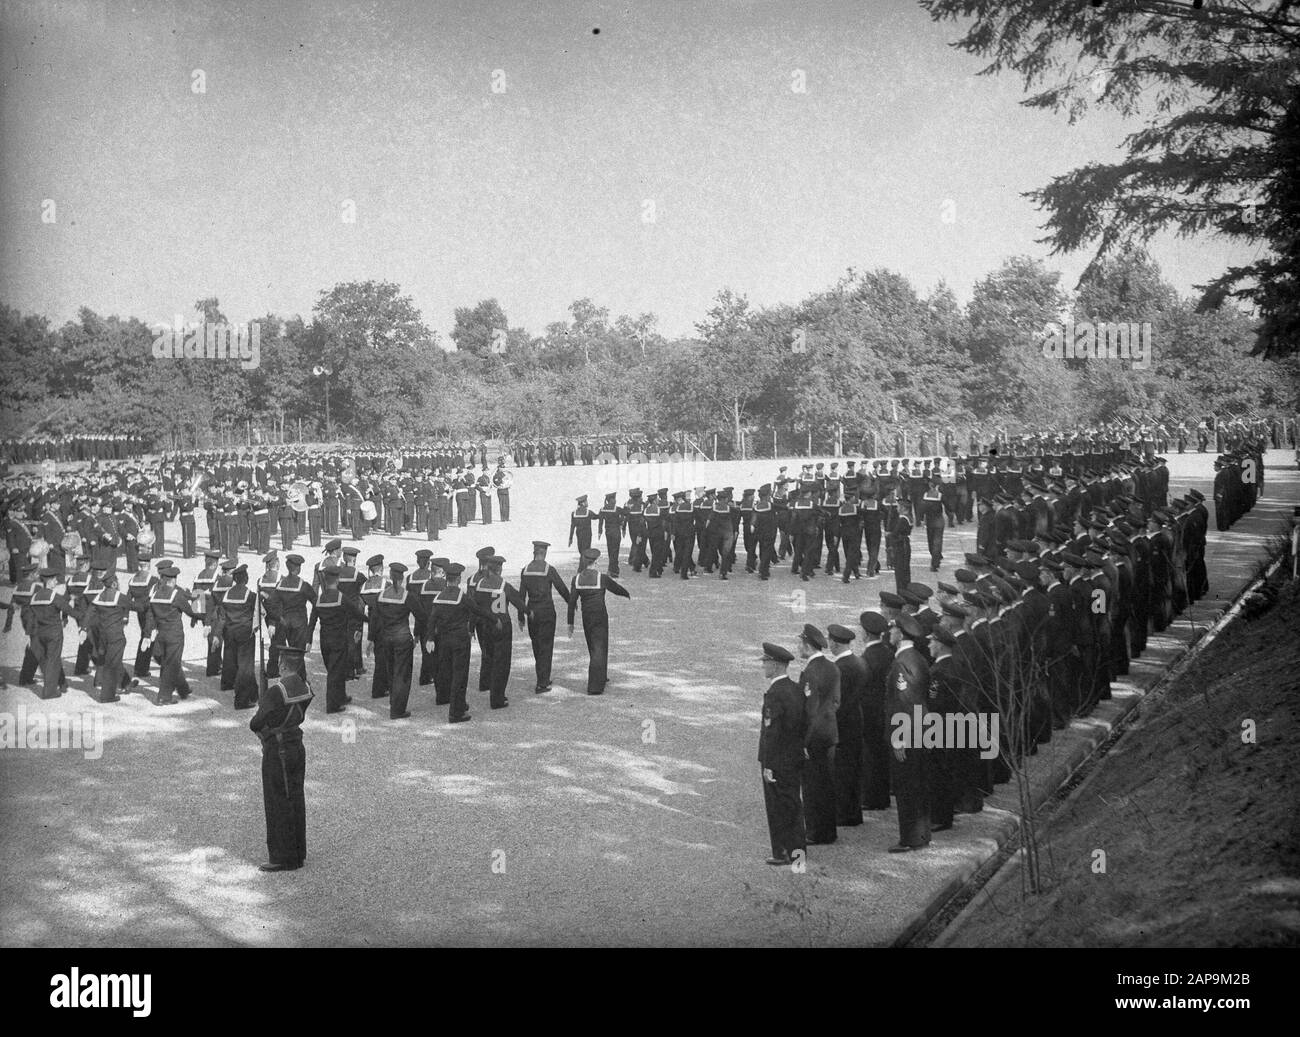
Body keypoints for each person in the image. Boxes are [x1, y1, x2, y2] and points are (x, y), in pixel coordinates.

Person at [250, 644, 312, 872]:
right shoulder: (305, 686)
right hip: (296, 743)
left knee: (277, 801)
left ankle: (282, 857)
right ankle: (297, 852)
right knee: (295, 797)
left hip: (277, 750)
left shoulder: (277, 691)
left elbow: (255, 722)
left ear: (283, 664)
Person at [885, 613, 931, 852]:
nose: (889, 632)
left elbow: (903, 702)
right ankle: (922, 834)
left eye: (892, 629)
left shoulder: (902, 662)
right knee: (918, 784)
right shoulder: (918, 658)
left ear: (900, 634)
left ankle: (910, 838)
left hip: (907, 733)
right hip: (920, 731)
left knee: (906, 787)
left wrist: (899, 738)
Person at [758, 641, 807, 866]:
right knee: (793, 804)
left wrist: (768, 765)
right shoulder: (796, 689)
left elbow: (771, 733)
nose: (763, 667)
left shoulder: (775, 694)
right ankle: (798, 851)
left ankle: (784, 852)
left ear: (776, 665)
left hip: (777, 761)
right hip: (794, 756)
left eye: (766, 662)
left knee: (779, 807)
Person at [797, 624, 840, 845]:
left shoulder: (809, 673)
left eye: (800, 644)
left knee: (813, 787)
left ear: (807, 646)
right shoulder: (833, 667)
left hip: (814, 737)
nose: (798, 648)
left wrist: (803, 740)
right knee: (827, 784)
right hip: (830, 732)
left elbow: (809, 710)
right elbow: (835, 702)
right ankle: (828, 830)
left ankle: (815, 832)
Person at [566, 548, 631, 695]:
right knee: (600, 647)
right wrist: (626, 594)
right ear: (596, 562)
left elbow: (571, 602)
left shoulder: (576, 579)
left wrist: (570, 623)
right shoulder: (601, 577)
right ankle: (595, 686)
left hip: (586, 616)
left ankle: (601, 676)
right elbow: (615, 588)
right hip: (600, 615)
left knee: (593, 645)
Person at [519, 541, 570, 693]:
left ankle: (542, 676)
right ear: (545, 553)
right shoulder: (549, 569)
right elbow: (561, 588)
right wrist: (571, 602)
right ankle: (542, 682)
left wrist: (521, 616)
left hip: (532, 612)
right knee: (546, 646)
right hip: (547, 611)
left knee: (536, 645)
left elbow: (521, 595)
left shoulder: (525, 570)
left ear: (534, 553)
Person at [827, 624, 866, 827]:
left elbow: (837, 702)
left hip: (842, 724)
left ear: (834, 643)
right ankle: (853, 812)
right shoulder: (859, 662)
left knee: (842, 771)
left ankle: (844, 814)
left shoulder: (839, 669)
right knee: (853, 769)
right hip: (856, 722)